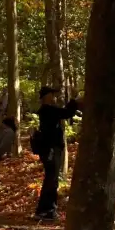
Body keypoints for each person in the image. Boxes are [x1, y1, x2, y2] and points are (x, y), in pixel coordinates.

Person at [31, 86, 80, 220]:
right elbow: (66, 113)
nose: (54, 97)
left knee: (51, 179)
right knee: (51, 180)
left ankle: (45, 210)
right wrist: (75, 101)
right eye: (52, 94)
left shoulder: (48, 110)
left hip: (51, 149)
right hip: (50, 149)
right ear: (46, 96)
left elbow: (65, 113)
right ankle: (47, 210)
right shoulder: (47, 110)